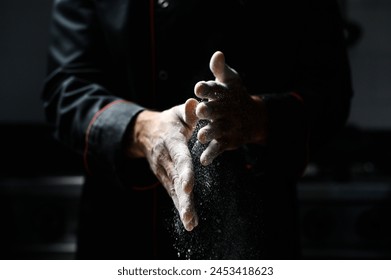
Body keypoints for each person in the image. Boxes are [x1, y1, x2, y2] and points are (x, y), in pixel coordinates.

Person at [41, 0, 353, 259]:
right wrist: (141, 129)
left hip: (252, 232)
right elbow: (66, 91)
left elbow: (330, 91)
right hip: (118, 232)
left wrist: (259, 117)